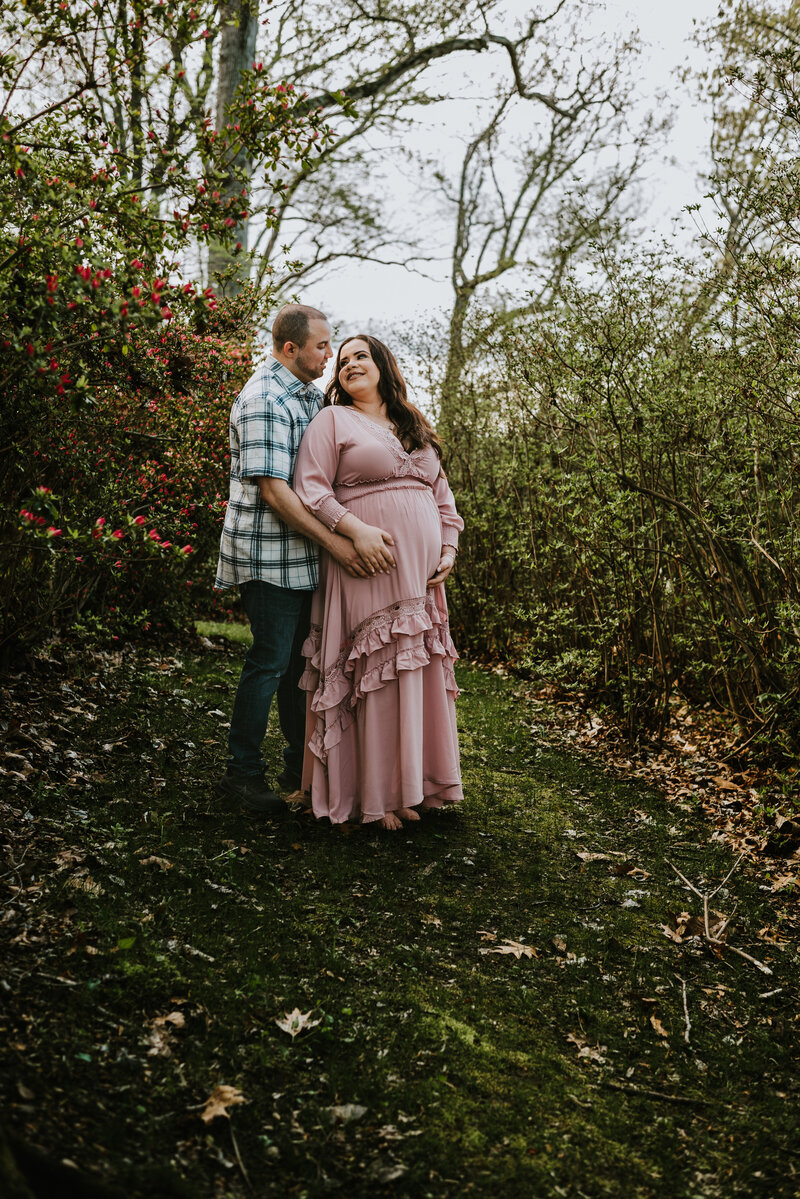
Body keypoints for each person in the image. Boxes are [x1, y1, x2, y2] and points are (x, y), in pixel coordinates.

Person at [293, 335, 464, 829]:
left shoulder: (415, 426)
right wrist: (357, 531)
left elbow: (444, 502)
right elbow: (311, 487)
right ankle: (374, 793)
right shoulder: (333, 420)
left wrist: (448, 548)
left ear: (382, 364)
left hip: (423, 579)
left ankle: (413, 785)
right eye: (341, 362)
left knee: (414, 671)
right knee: (376, 674)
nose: (348, 365)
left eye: (359, 356)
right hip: (364, 565)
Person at [214, 304, 372, 815]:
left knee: (295, 667)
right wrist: (337, 543)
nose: (331, 354)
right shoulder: (264, 398)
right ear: (290, 349)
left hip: (300, 557)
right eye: (323, 345)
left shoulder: (303, 393)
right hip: (268, 556)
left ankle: (294, 766)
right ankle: (241, 775)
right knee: (269, 661)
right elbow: (275, 494)